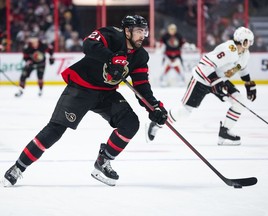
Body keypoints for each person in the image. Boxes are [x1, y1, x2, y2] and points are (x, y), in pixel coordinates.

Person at [1, 15, 167, 187]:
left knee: (131, 123)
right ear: (127, 31)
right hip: (81, 88)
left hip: (106, 93)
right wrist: (111, 58)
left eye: (144, 31)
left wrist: (154, 107)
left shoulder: (140, 56)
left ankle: (103, 160)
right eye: (139, 31)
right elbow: (88, 44)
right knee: (55, 129)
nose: (143, 35)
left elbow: (141, 85)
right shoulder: (111, 35)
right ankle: (18, 167)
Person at [147, 26, 256, 146]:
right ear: (239, 40)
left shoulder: (245, 54)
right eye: (246, 42)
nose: (248, 45)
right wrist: (216, 83)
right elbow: (205, 63)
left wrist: (249, 84)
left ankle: (225, 132)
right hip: (202, 78)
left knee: (239, 101)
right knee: (185, 112)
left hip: (219, 80)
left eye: (250, 42)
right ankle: (156, 123)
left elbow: (242, 68)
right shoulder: (229, 49)